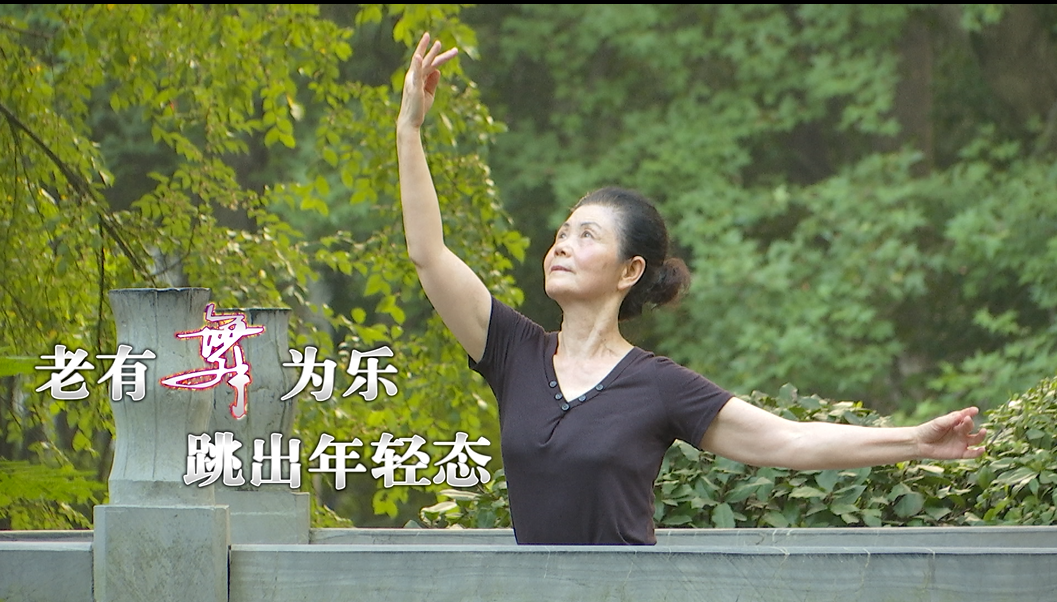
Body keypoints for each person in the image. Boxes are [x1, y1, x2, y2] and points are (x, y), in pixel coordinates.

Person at [396, 32, 987, 545]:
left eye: (587, 235)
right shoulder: (513, 353)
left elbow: (789, 441)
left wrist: (915, 440)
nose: (563, 245)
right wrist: (410, 130)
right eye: (562, 234)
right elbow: (429, 254)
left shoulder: (658, 386)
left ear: (629, 271)